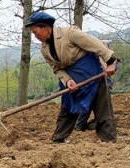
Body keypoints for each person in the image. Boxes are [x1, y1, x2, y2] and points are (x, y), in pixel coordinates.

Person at [26, 11, 119, 143]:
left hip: (91, 74)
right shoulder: (44, 49)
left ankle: (108, 140)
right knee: (68, 108)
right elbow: (56, 68)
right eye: (33, 33)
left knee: (102, 107)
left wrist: (111, 61)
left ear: (46, 27)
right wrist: (67, 80)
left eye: (36, 32)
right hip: (72, 80)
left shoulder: (69, 33)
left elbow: (95, 44)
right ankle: (59, 138)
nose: (35, 36)